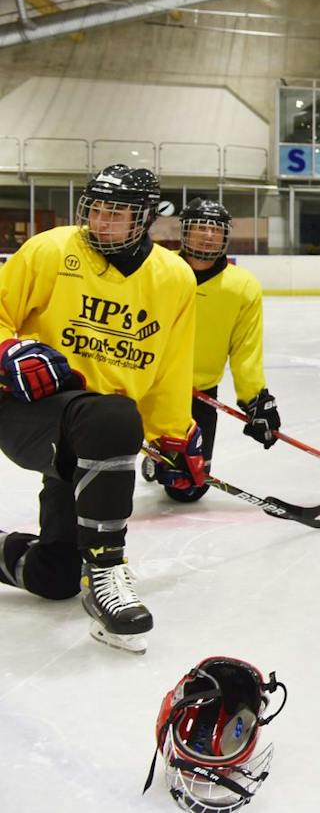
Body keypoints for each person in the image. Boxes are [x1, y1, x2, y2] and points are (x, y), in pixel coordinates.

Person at [0, 164, 198, 652]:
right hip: (30, 409)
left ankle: (66, 569)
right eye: (98, 209)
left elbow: (172, 365)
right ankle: (107, 571)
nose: (102, 221)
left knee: (54, 576)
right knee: (113, 416)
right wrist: (6, 350)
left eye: (118, 213)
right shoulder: (49, 250)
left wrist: (174, 433)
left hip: (97, 434)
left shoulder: (174, 277)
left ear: (146, 219)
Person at [166, 198, 279, 504]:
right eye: (199, 228)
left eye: (215, 230)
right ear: (184, 232)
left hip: (201, 390)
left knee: (189, 489)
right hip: (152, 389)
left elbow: (246, 349)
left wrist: (256, 400)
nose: (207, 236)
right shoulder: (160, 272)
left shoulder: (242, 286)